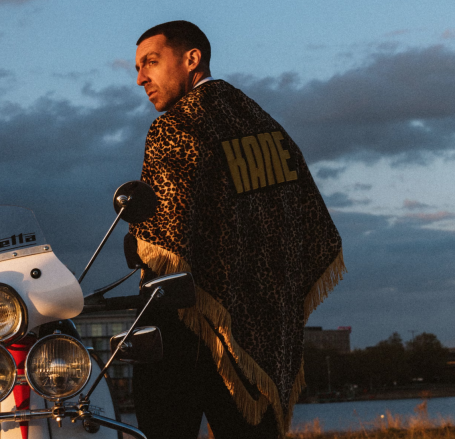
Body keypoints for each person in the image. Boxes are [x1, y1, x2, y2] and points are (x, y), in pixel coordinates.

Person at [125, 21, 345, 438]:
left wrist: (136, 244)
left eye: (150, 62)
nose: (140, 79)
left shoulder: (176, 126)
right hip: (265, 331)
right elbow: (316, 230)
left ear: (192, 59)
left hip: (188, 328)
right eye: (137, 68)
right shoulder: (268, 129)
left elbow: (162, 237)